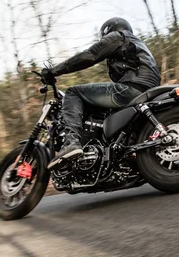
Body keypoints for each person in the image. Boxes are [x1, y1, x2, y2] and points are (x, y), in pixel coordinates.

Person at [43, 17, 161, 169]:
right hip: (146, 90)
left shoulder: (118, 36)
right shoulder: (139, 45)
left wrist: (54, 71)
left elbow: (90, 56)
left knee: (73, 93)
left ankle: (71, 143)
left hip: (131, 88)